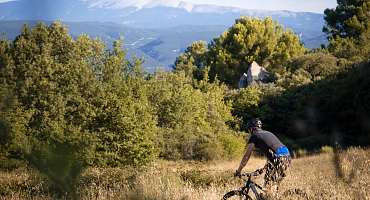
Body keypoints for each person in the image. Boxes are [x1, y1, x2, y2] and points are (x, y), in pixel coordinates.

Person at [234, 118, 291, 195]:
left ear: (251, 129)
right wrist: (264, 168)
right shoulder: (268, 133)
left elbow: (246, 156)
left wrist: (239, 170)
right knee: (271, 187)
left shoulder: (254, 136)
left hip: (279, 160)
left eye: (248, 130)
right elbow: (273, 152)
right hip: (287, 158)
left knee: (267, 188)